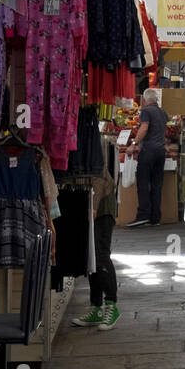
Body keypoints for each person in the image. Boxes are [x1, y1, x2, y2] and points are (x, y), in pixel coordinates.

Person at [72, 137, 121, 330]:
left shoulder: (88, 137)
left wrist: (94, 206)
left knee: (100, 255)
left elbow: (99, 174)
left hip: (101, 207)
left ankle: (111, 305)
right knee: (91, 258)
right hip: (87, 203)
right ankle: (96, 306)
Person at [127, 88, 168, 228]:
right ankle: (155, 217)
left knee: (143, 183)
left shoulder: (146, 111)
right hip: (161, 152)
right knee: (157, 185)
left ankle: (143, 215)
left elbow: (144, 128)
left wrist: (133, 144)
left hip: (148, 150)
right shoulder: (163, 112)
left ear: (144, 100)